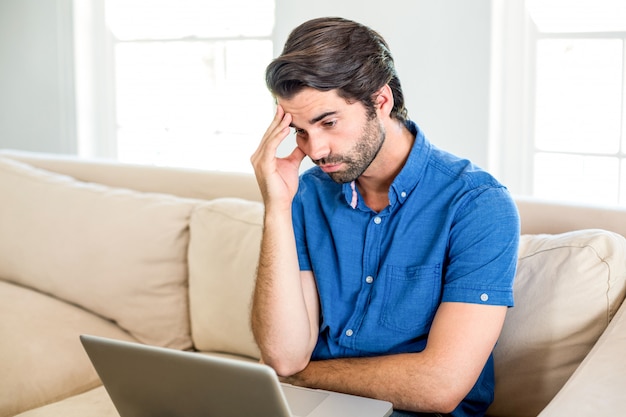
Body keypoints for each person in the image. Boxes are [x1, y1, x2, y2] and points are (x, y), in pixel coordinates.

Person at [250, 17, 519, 417]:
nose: (316, 150)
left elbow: (439, 386)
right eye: (300, 131)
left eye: (328, 123)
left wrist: (302, 378)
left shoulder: (477, 204)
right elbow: (285, 357)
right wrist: (276, 208)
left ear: (380, 101)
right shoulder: (305, 196)